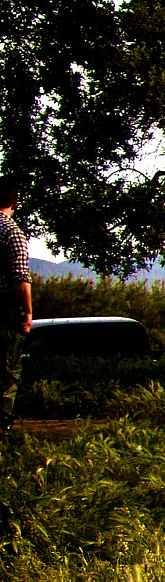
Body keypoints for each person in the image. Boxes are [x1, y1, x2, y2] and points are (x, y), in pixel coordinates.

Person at [0, 181, 31, 433]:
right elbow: (20, 280)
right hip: (3, 311)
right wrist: (28, 312)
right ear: (14, 203)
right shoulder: (12, 233)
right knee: (7, 372)